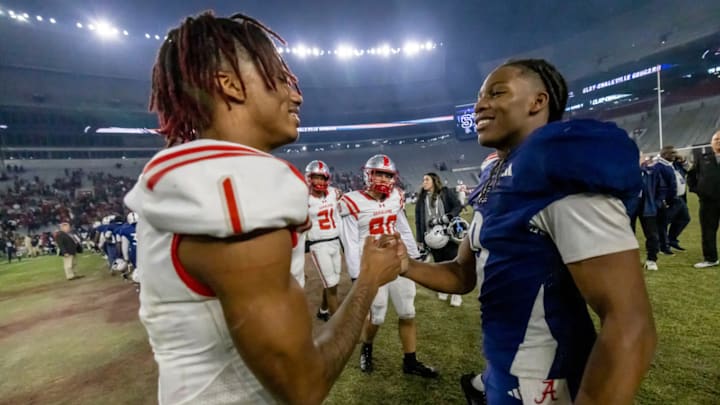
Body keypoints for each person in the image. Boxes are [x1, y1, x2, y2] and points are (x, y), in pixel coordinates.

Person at [123, 11, 403, 404]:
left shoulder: (199, 172)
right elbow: (302, 385)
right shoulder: (232, 182)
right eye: (280, 78)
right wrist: (370, 279)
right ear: (231, 85)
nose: (296, 94)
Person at [396, 59, 656, 404]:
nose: (479, 105)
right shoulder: (499, 181)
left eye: (496, 92)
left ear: (538, 101)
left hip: (546, 382)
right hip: (504, 369)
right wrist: (405, 265)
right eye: (479, 96)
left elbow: (630, 323)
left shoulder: (562, 175)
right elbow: (462, 274)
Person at [340, 154, 438, 378]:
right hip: (374, 266)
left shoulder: (396, 196)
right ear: (368, 174)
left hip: (397, 259)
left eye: (388, 174)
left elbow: (402, 227)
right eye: (379, 173)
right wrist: (358, 275)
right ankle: (367, 346)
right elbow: (351, 242)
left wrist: (414, 256)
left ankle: (410, 361)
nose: (383, 179)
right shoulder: (351, 201)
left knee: (407, 311)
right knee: (377, 316)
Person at [415, 172, 464, 306]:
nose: (424, 182)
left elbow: (458, 206)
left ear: (434, 181)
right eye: (423, 180)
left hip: (448, 234)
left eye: (426, 179)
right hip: (432, 237)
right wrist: (420, 239)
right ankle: (444, 289)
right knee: (439, 265)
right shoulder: (421, 199)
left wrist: (448, 216)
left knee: (453, 264)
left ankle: (456, 294)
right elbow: (419, 220)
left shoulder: (445, 192)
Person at [304, 160, 344, 321]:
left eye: (322, 178)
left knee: (333, 282)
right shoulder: (303, 198)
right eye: (316, 177)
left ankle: (323, 310)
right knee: (331, 284)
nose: (320, 181)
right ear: (309, 178)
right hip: (318, 244)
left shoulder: (334, 193)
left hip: (335, 241)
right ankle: (337, 324)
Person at [687, 130, 720, 268]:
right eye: (716, 139)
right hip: (708, 201)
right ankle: (711, 258)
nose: (718, 141)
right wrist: (698, 190)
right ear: (711, 143)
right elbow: (691, 175)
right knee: (708, 230)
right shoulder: (702, 157)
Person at [658, 146, 691, 251]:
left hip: (680, 198)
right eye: (672, 153)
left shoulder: (676, 164)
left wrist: (683, 160)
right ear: (664, 154)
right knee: (664, 221)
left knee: (685, 218)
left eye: (675, 152)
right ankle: (661, 244)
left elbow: (690, 169)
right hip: (670, 198)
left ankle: (672, 240)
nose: (675, 155)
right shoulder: (659, 166)